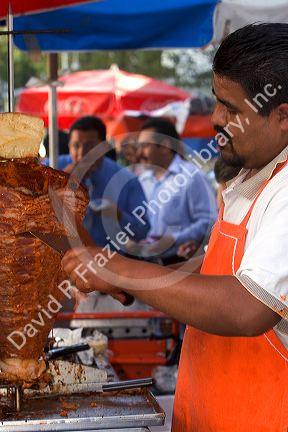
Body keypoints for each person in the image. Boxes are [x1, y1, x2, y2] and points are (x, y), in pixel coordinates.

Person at [62, 24, 288, 431]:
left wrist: (120, 269)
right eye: (217, 101)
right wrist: (133, 278)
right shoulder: (252, 175)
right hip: (211, 410)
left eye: (231, 109)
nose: (216, 118)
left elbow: (246, 308)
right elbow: (219, 268)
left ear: (283, 116)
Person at [57, 116, 150, 247]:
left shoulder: (126, 180)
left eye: (90, 146)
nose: (82, 153)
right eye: (76, 146)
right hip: (63, 257)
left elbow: (143, 230)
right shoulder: (54, 167)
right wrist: (61, 180)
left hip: (107, 258)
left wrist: (118, 215)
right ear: (69, 146)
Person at [134, 118, 217, 264]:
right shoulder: (144, 179)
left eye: (145, 146)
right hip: (148, 263)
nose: (139, 153)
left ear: (165, 147)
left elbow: (209, 221)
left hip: (180, 263)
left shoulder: (191, 176)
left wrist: (174, 239)